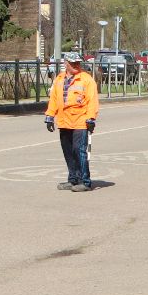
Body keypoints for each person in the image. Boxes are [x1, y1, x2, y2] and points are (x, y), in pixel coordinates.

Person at [44, 51, 100, 192]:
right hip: (64, 121)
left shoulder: (86, 79)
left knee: (79, 151)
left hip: (80, 121)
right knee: (68, 151)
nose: (76, 65)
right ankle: (73, 179)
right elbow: (54, 99)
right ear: (66, 63)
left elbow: (92, 100)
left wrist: (91, 118)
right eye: (73, 63)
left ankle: (84, 181)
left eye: (78, 63)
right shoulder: (59, 79)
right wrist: (50, 116)